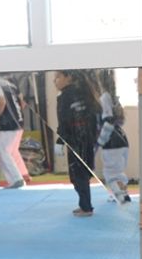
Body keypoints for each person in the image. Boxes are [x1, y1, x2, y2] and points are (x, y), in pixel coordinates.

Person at [53, 69, 100, 217]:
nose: (55, 81)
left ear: (69, 77)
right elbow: (94, 117)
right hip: (87, 139)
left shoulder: (65, 96)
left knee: (78, 175)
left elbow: (64, 121)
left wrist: (60, 141)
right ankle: (85, 205)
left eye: (58, 77)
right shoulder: (85, 92)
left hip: (75, 140)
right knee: (82, 174)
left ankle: (86, 207)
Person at [95, 69, 131, 204]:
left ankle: (121, 198)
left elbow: (109, 120)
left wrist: (100, 141)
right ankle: (124, 195)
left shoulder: (105, 97)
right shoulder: (115, 97)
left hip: (112, 141)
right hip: (122, 139)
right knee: (118, 171)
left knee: (111, 174)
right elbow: (120, 120)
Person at [0, 73, 30, 190]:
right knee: (10, 151)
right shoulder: (11, 83)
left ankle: (16, 179)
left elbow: (1, 101)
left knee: (2, 151)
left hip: (8, 122)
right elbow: (22, 103)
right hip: (18, 120)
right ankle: (20, 175)